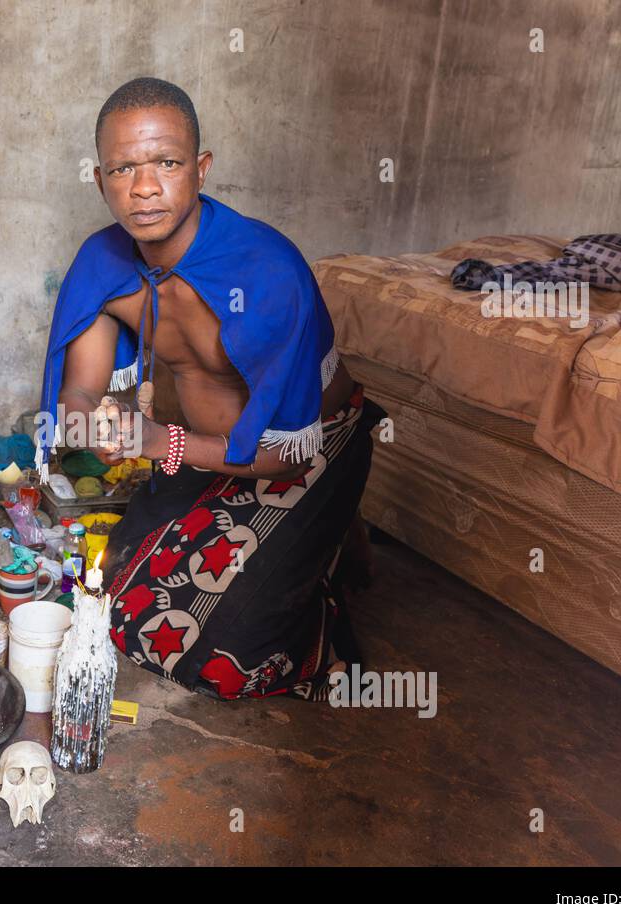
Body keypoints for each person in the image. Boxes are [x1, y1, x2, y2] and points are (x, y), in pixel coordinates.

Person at [36, 77, 386, 700]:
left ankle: (326, 555)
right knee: (110, 594)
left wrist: (155, 442)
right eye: (123, 168)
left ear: (200, 169)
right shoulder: (101, 265)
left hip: (302, 452)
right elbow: (79, 396)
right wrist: (94, 427)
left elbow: (287, 450)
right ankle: (316, 544)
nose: (144, 187)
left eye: (166, 163)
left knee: (223, 657)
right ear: (100, 180)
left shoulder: (268, 271)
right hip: (199, 451)